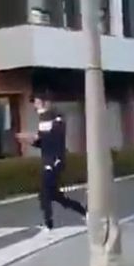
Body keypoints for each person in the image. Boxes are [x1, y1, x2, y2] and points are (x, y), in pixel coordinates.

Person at [16, 96, 87, 231]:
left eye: (36, 102)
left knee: (44, 193)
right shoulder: (47, 118)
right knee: (54, 195)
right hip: (50, 159)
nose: (35, 106)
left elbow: (47, 137)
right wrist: (28, 140)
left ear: (46, 102)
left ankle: (49, 224)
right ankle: (82, 211)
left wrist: (29, 136)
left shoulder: (52, 116)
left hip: (54, 160)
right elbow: (43, 142)